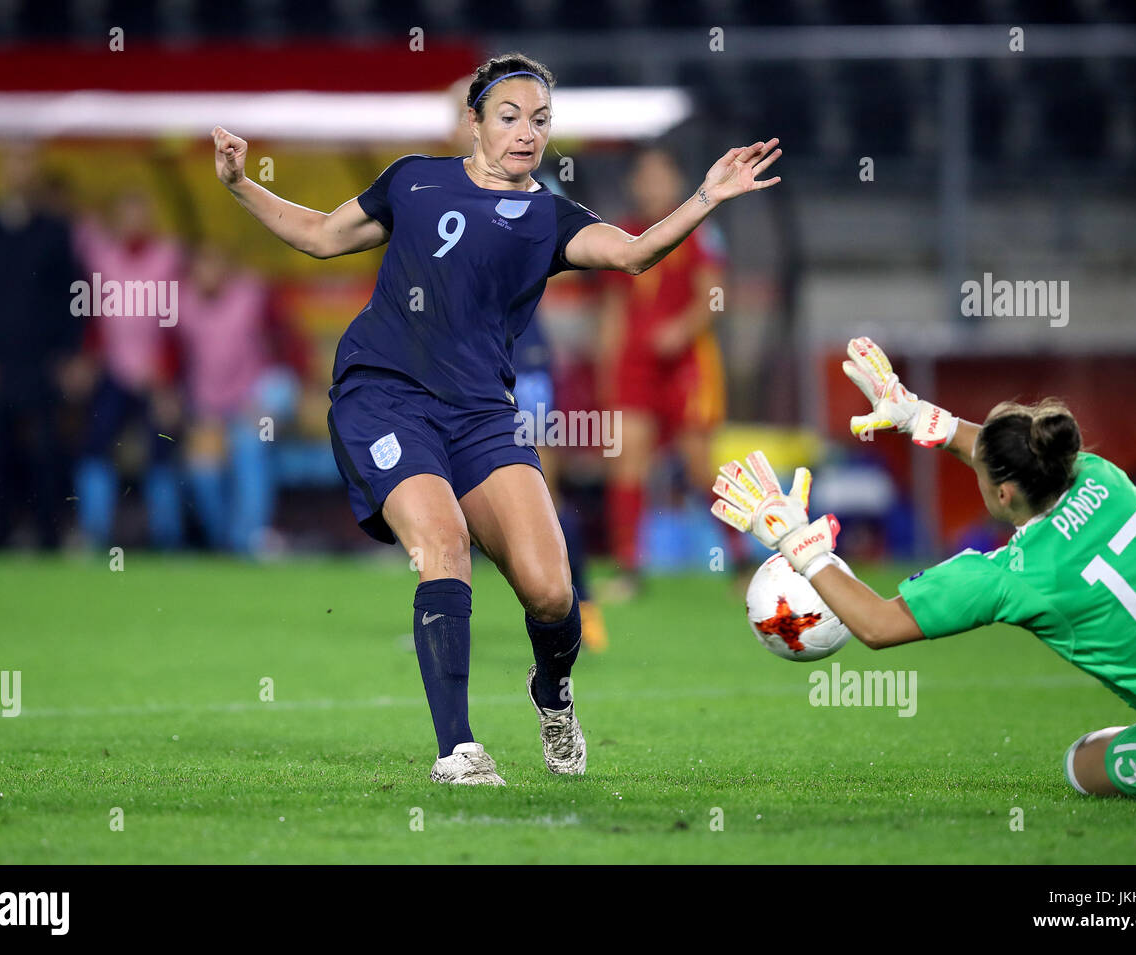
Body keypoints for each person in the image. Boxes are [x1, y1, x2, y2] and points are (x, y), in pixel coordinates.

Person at [215, 52, 781, 785]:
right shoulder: (414, 180)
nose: (526, 133)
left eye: (540, 121)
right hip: (384, 395)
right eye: (509, 116)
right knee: (443, 543)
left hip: (482, 413)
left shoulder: (547, 215)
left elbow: (636, 253)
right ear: (473, 122)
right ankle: (458, 749)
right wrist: (238, 186)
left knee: (551, 590)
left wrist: (705, 196)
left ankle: (552, 692)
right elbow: (323, 235)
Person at [713, 337, 1136, 801]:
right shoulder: (1103, 477)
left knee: (1080, 764)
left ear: (1003, 494)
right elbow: (1010, 454)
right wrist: (920, 417)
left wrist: (799, 544)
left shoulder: (1012, 576)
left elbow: (877, 625)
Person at [445, 77, 608, 652]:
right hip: (475, 375)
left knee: (545, 489)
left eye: (529, 120)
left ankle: (581, 603)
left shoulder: (528, 198)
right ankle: (535, 603)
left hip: (524, 365)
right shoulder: (446, 190)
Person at [599, 145, 745, 596]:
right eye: (645, 176)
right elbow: (613, 309)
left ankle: (740, 565)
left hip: (687, 364)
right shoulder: (620, 235)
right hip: (634, 366)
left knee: (701, 468)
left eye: (661, 176)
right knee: (627, 464)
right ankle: (628, 572)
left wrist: (680, 332)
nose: (653, 185)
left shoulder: (700, 230)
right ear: (633, 183)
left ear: (677, 182)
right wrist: (608, 369)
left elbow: (715, 297)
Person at [0, 146, 83, 549]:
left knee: (47, 448)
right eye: (13, 159)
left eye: (26, 160)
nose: (20, 169)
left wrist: (69, 352)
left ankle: (48, 537)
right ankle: (0, 537)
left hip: (43, 361)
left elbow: (75, 296)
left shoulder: (56, 231)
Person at [175, 243, 306, 555]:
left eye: (215, 265)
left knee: (250, 441)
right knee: (202, 468)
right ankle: (226, 544)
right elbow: (172, 360)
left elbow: (291, 345)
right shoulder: (181, 304)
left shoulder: (253, 296)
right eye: (202, 266)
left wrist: (290, 390)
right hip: (207, 406)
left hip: (256, 394)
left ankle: (252, 538)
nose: (208, 273)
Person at [72, 190, 184, 550]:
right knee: (95, 446)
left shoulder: (167, 257)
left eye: (139, 212)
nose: (132, 221)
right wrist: (89, 358)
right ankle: (94, 532)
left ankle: (169, 540)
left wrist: (166, 382)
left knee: (161, 451)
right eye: (125, 213)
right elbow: (95, 319)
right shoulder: (103, 257)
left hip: (156, 375)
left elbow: (176, 325)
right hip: (115, 371)